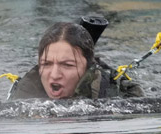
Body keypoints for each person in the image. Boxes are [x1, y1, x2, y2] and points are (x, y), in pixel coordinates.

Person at [9, 22, 144, 100]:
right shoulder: (20, 98)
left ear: (88, 68)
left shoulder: (125, 98)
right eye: (46, 64)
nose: (55, 75)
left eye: (67, 65)